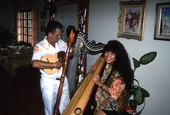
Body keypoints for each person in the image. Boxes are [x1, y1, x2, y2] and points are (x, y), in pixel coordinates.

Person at [31, 20, 72, 115]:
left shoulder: (61, 43)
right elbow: (35, 63)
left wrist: (76, 48)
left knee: (66, 106)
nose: (60, 37)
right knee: (50, 109)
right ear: (50, 34)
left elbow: (69, 51)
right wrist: (54, 65)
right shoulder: (39, 46)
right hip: (48, 82)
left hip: (63, 79)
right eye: (58, 35)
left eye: (60, 34)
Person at [90, 40, 134, 115]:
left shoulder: (120, 72)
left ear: (118, 55)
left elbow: (114, 93)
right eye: (107, 52)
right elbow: (99, 76)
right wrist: (93, 71)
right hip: (101, 97)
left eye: (112, 53)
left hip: (114, 103)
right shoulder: (107, 64)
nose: (108, 55)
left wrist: (100, 83)